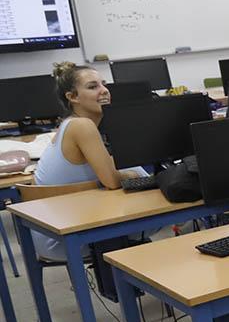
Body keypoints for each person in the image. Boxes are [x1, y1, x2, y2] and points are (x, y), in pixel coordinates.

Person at [31, 62, 146, 260]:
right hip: (64, 236)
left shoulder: (71, 124)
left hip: (59, 227)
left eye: (104, 84)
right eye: (93, 87)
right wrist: (135, 174)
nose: (104, 91)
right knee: (155, 213)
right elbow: (111, 181)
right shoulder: (82, 126)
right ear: (72, 97)